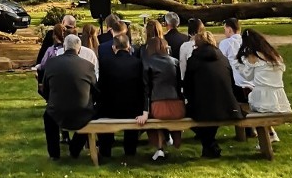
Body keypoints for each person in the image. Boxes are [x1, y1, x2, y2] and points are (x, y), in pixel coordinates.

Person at [183, 31, 242, 158]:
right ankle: (210, 145)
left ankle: (209, 145)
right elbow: (231, 82)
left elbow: (187, 86)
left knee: (189, 112)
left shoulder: (193, 60)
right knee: (208, 116)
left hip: (204, 107)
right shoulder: (223, 59)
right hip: (227, 105)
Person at [40, 33, 98, 160]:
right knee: (93, 114)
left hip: (57, 110)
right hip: (83, 111)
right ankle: (75, 148)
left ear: (64, 47)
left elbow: (45, 88)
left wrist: (51, 100)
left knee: (48, 116)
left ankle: (54, 154)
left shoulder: (51, 63)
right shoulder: (88, 66)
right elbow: (95, 89)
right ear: (79, 48)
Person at [136, 30, 183, 161]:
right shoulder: (175, 62)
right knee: (160, 115)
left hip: (158, 105)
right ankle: (174, 139)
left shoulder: (147, 62)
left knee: (152, 117)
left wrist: (145, 112)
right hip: (178, 107)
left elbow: (147, 89)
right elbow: (179, 86)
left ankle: (159, 147)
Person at [95, 33, 144, 159]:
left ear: (113, 48)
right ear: (129, 47)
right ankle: (130, 150)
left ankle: (105, 150)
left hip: (110, 109)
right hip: (133, 110)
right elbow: (141, 88)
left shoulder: (105, 62)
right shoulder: (138, 63)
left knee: (101, 110)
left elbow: (101, 87)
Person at [235, 30, 292, 121]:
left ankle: (268, 132)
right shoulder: (274, 55)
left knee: (246, 99)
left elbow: (248, 76)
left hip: (262, 99)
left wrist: (238, 67)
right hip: (279, 98)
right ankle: (270, 132)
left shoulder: (253, 56)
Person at [219, 18, 249, 101]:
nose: (224, 32)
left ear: (229, 29)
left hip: (236, 83)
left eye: (224, 29)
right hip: (251, 80)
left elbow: (221, 62)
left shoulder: (225, 43)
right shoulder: (247, 42)